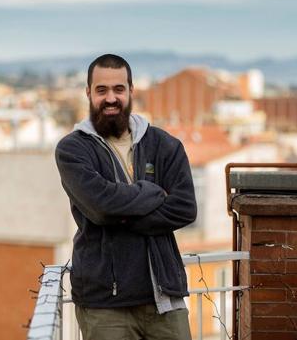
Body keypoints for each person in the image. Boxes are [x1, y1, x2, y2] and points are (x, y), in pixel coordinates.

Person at [55, 54, 197, 340]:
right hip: (104, 304)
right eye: (101, 90)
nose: (111, 98)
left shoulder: (164, 145)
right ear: (88, 93)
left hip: (163, 297)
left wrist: (118, 212)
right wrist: (153, 192)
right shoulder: (72, 150)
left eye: (118, 89)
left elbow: (184, 208)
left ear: (131, 91)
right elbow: (101, 207)